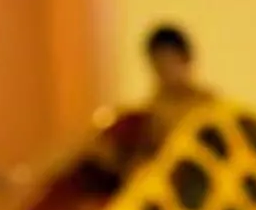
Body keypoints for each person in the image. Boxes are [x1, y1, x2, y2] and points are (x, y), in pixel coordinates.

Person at [82, 24, 215, 182]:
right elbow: (142, 156)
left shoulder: (208, 107)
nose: (165, 71)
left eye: (169, 62)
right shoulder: (151, 110)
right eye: (158, 65)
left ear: (186, 59)